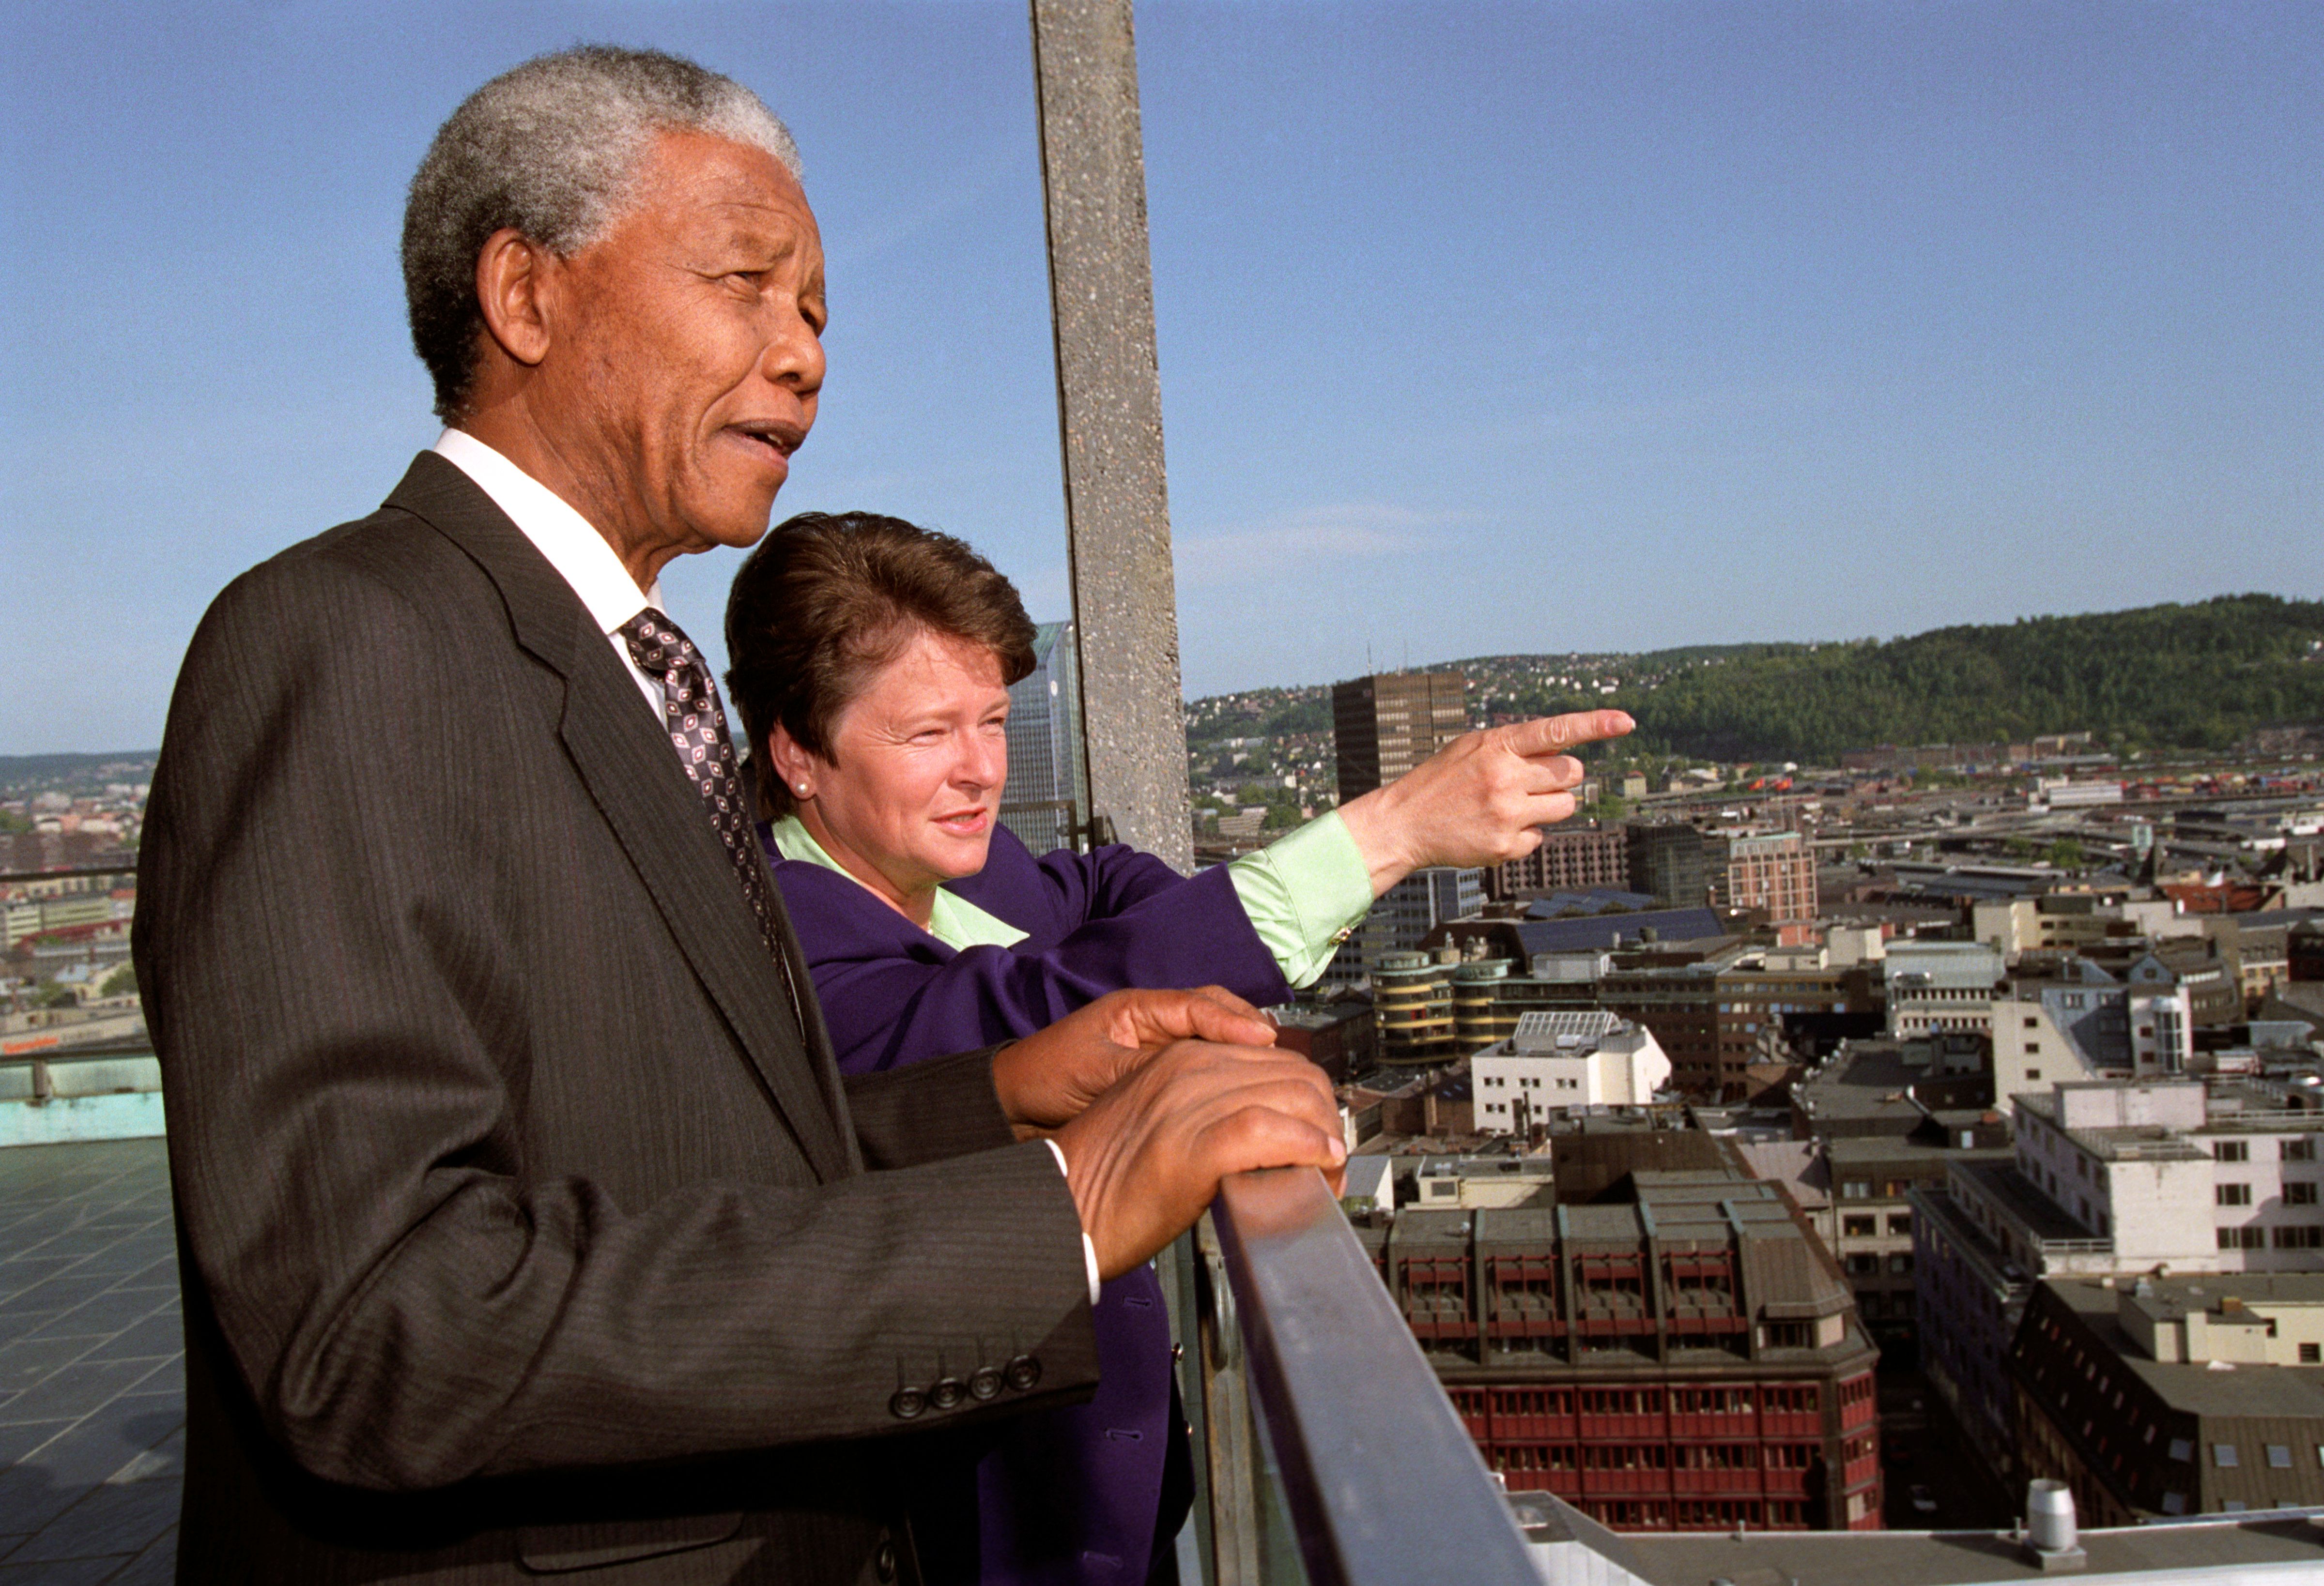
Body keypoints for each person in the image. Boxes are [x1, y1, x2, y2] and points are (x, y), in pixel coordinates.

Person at [133, 47, 1345, 1586]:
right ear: (526, 293)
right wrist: (1070, 1204)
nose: (803, 355)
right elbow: (379, 1320)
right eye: (748, 285)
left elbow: (670, 1158)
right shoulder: (342, 638)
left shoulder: (628, 672)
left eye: (819, 311)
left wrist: (1000, 1094)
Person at [722, 510, 1632, 1584]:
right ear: (796, 752)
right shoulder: (782, 950)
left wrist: (1169, 957)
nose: (980, 772)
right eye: (928, 735)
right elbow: (1030, 1009)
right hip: (988, 1540)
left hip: (1125, 1504)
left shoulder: (967, 864)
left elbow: (1103, 892)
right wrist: (1386, 835)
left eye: (995, 723)